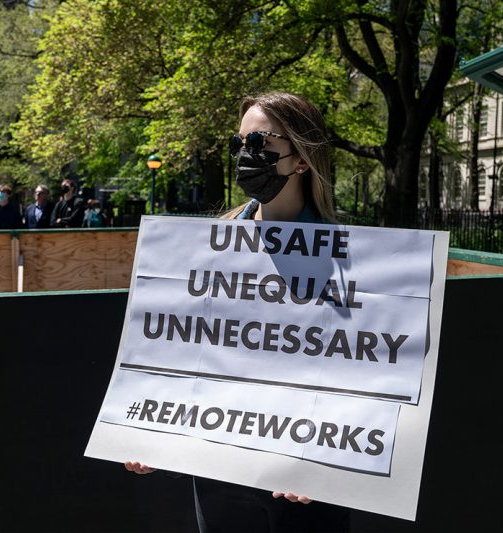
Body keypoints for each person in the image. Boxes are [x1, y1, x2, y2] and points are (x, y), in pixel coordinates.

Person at [125, 92, 347, 533]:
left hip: (304, 480)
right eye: (240, 144)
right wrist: (152, 435)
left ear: (302, 158)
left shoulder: (353, 259)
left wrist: (329, 461)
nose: (247, 156)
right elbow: (180, 351)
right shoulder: (206, 249)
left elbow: (360, 368)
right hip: (219, 473)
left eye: (260, 142)